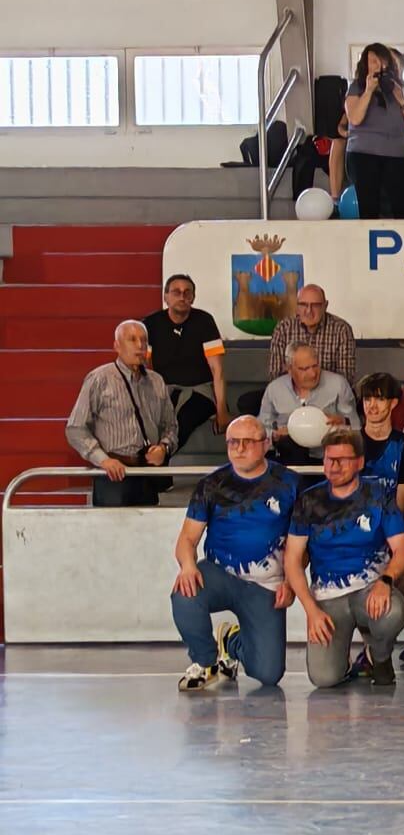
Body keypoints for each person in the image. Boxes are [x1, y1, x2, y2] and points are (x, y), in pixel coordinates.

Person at [168, 415, 297, 690]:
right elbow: (187, 538)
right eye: (232, 442)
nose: (239, 449)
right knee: (185, 592)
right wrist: (188, 566)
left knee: (268, 674)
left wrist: (290, 579)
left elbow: (301, 543)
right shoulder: (212, 484)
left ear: (265, 445)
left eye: (247, 442)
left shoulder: (290, 484)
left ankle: (231, 642)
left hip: (266, 583)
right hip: (219, 574)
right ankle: (205, 662)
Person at [284, 428, 404, 688]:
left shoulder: (379, 496)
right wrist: (311, 611)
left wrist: (386, 581)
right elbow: (292, 559)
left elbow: (403, 549)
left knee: (393, 612)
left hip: (370, 590)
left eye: (342, 459)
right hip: (327, 597)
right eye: (329, 459)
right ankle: (343, 658)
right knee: (324, 679)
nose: (334, 466)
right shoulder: (309, 500)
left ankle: (380, 655)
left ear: (359, 462)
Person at [69, 319, 177, 507]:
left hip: (146, 473)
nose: (140, 345)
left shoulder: (157, 380)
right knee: (112, 535)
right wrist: (103, 460)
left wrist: (164, 448)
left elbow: (171, 426)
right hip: (113, 475)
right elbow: (75, 429)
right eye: (132, 340)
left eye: (143, 340)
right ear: (117, 346)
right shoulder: (99, 379)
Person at [143, 274, 229, 456]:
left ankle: (161, 457)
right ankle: (159, 473)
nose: (182, 297)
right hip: (165, 391)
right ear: (166, 297)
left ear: (193, 298)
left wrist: (222, 411)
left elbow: (217, 370)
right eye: (176, 292)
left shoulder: (204, 321)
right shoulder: (151, 324)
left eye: (187, 293)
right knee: (157, 420)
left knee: (183, 419)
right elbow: (143, 368)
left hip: (201, 392)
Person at [342, 42, 404, 219]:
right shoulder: (357, 87)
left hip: (398, 154)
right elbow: (354, 118)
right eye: (373, 61)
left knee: (403, 209)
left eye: (382, 61)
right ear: (365, 64)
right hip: (363, 153)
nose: (378, 65)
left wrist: (402, 100)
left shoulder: (402, 88)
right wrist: (369, 91)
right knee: (368, 207)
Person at [258, 342, 359, 466]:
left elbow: (356, 428)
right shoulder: (274, 389)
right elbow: (261, 430)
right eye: (304, 369)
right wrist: (274, 436)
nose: (313, 374)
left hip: (330, 459)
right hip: (287, 460)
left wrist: (343, 423)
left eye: (315, 366)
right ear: (289, 369)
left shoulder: (338, 384)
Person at [354, 372, 404, 510]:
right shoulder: (348, 444)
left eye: (380, 399)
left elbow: (400, 508)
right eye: (367, 399)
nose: (372, 406)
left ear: (393, 403)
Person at [263, 283, 355, 386]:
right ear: (297, 306)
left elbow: (345, 379)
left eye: (315, 305)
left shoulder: (341, 330)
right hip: (291, 396)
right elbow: (276, 376)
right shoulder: (283, 329)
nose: (308, 311)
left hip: (329, 397)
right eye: (303, 305)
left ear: (325, 306)